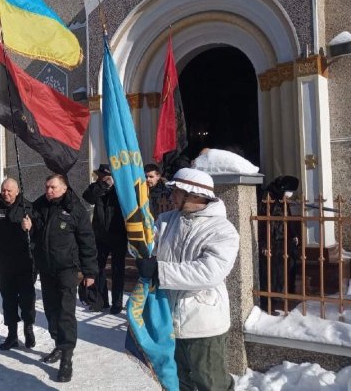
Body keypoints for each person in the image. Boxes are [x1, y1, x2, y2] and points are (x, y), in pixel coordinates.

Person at [135, 168, 239, 391]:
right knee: (176, 382)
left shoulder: (222, 229)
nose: (170, 196)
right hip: (168, 321)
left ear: (194, 194)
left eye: (176, 192)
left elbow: (210, 272)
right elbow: (145, 246)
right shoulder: (166, 220)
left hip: (203, 325)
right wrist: (138, 242)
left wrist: (159, 271)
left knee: (210, 383)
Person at [21, 174, 97, 382]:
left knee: (65, 312)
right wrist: (30, 225)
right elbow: (35, 223)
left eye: (52, 187)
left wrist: (90, 272)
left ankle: (67, 357)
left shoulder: (74, 209)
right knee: (51, 310)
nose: (48, 191)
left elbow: (87, 240)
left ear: (64, 188)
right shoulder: (41, 205)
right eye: (46, 187)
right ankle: (58, 343)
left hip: (67, 269)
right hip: (46, 268)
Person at [0, 178, 36, 350]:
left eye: (9, 191)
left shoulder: (28, 208)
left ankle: (28, 327)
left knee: (27, 299)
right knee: (9, 300)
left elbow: (39, 233)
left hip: (25, 262)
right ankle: (12, 334)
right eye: (3, 190)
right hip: (4, 262)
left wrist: (30, 227)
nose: (5, 193)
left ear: (17, 191)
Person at [82, 164, 127, 315]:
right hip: (100, 235)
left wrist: (114, 185)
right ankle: (101, 301)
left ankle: (117, 303)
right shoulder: (97, 187)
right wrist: (103, 185)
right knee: (98, 269)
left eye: (105, 176)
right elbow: (88, 197)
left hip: (118, 234)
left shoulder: (121, 188)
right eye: (100, 176)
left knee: (117, 270)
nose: (101, 178)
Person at [258, 175, 301, 310]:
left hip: (283, 240)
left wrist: (293, 234)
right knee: (271, 273)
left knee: (285, 270)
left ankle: (281, 298)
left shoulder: (281, 198)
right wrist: (265, 243)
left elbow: (286, 219)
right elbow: (265, 223)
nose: (291, 193)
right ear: (283, 188)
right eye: (290, 190)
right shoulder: (268, 197)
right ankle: (269, 304)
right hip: (272, 242)